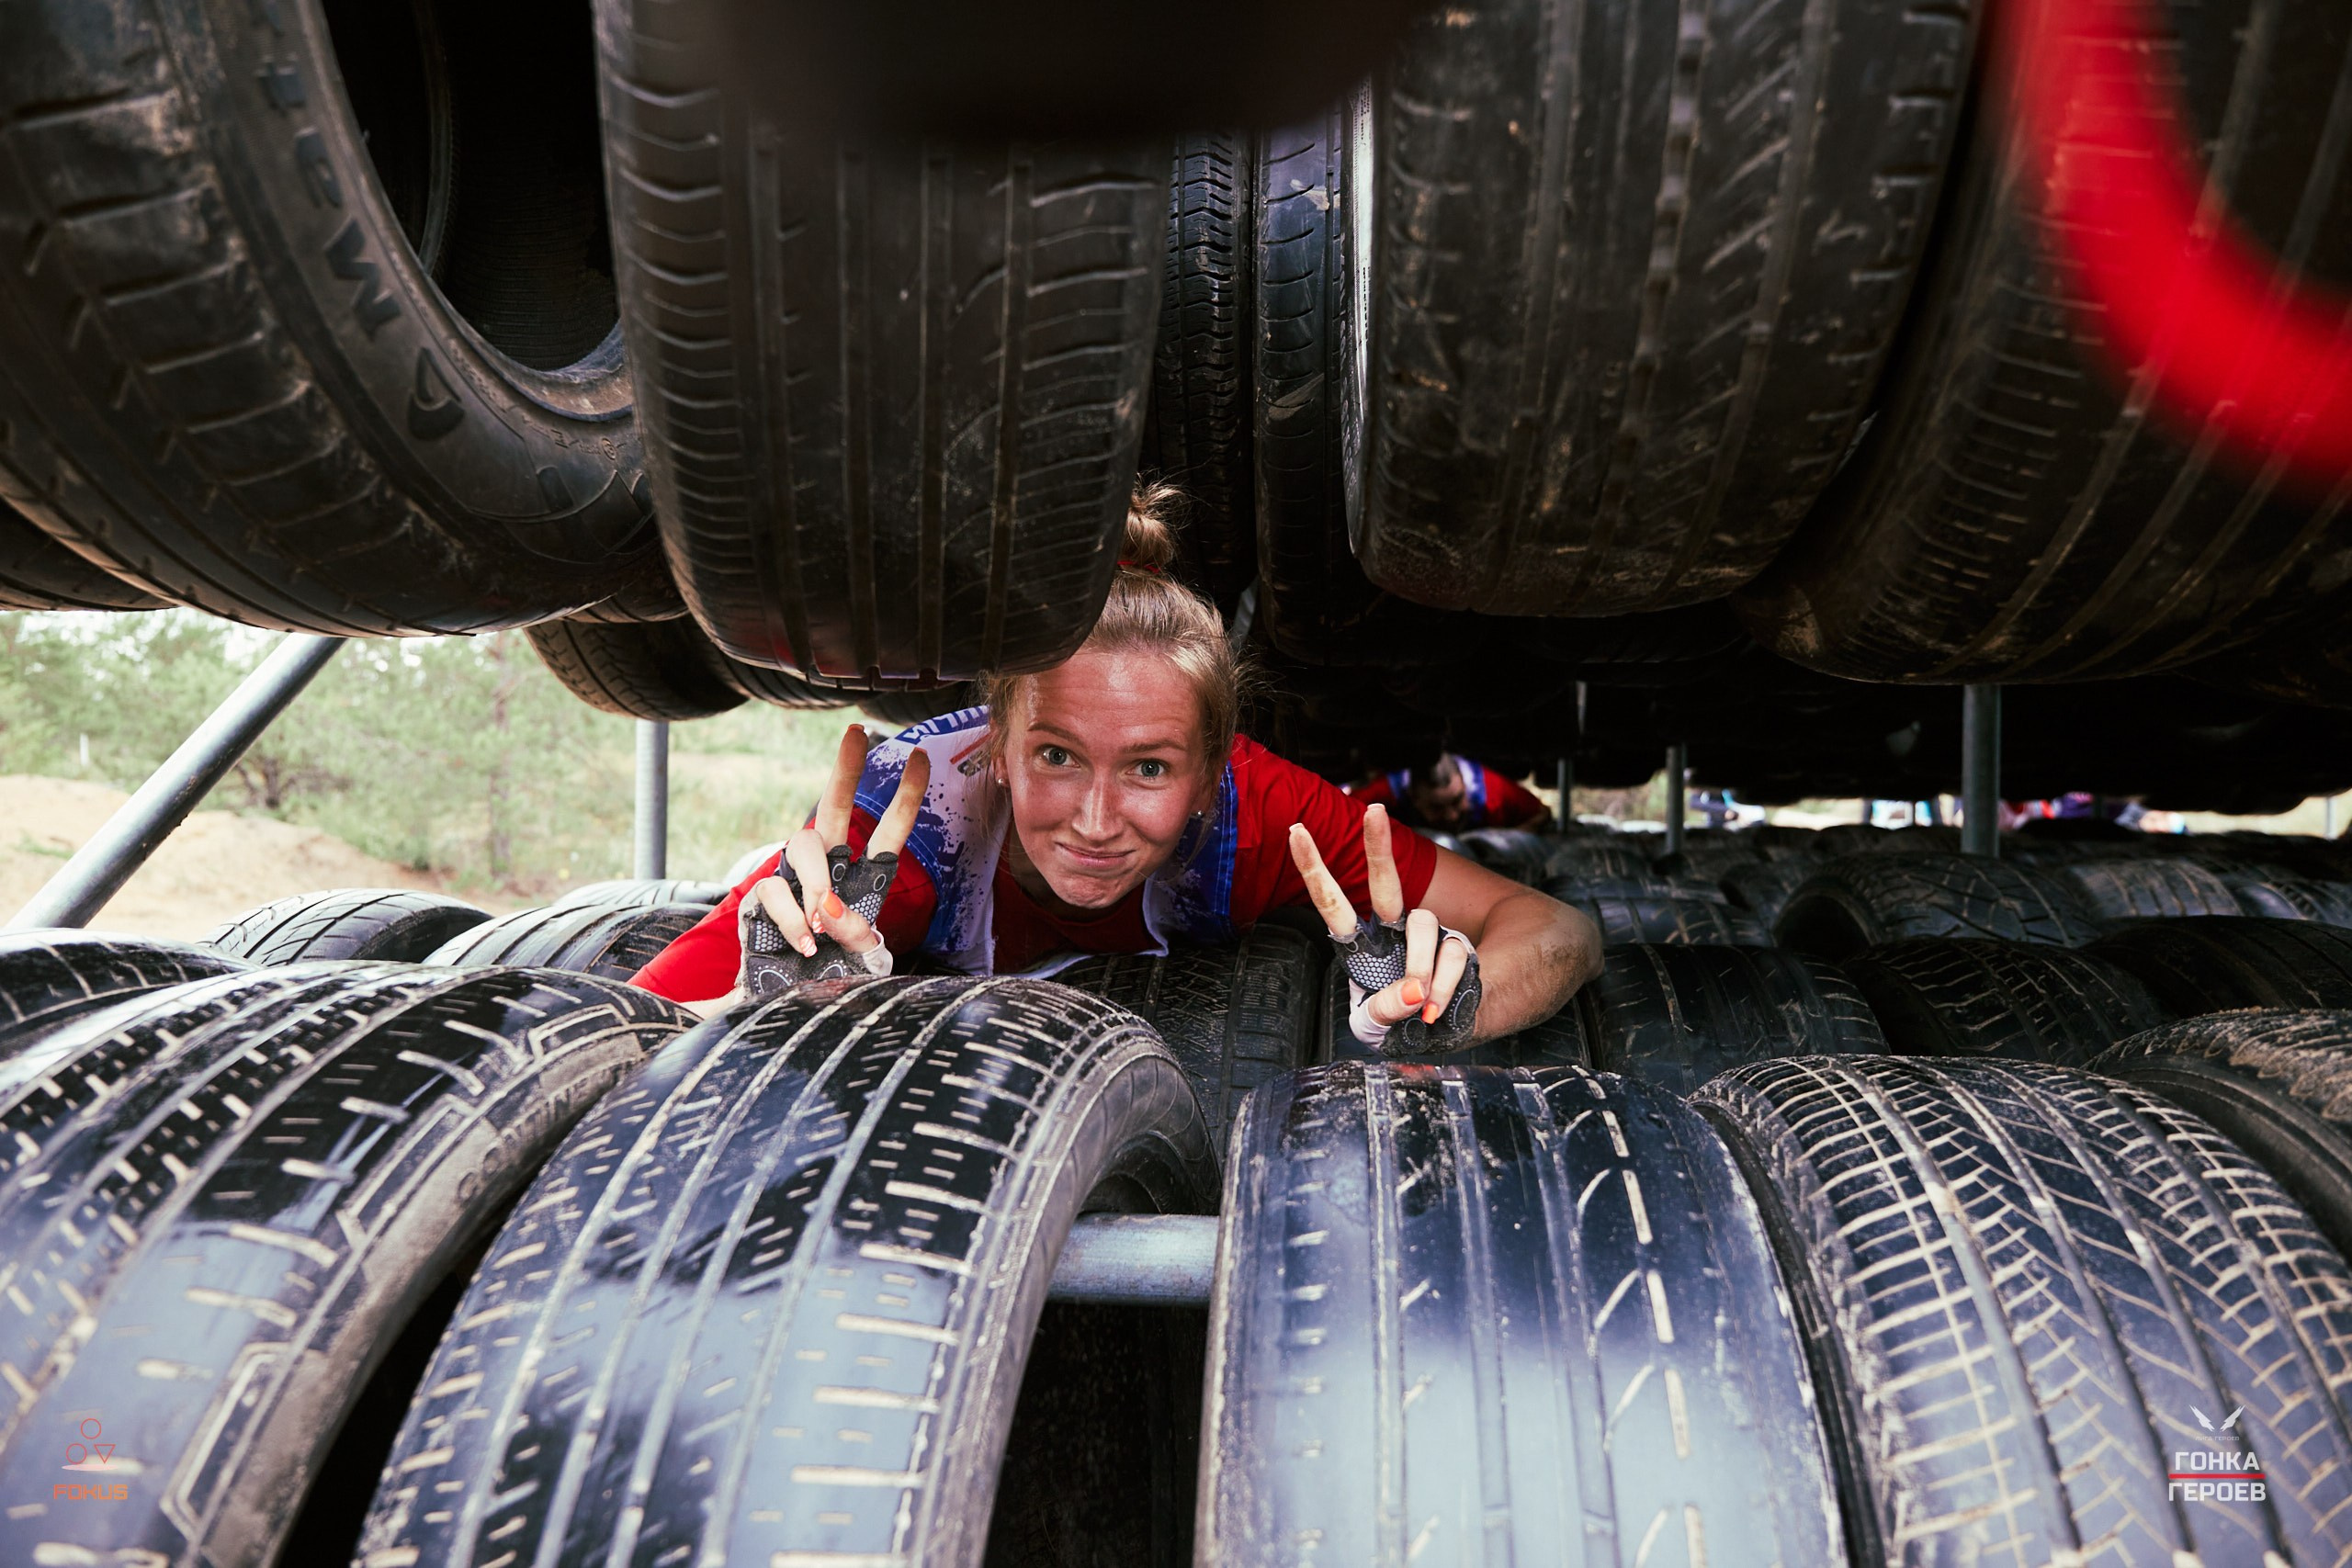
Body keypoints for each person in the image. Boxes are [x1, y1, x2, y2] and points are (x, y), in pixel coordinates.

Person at [632, 491, 1600, 1051]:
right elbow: (635, 1036)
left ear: (1212, 771)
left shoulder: (1257, 815)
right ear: (996, 751)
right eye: (1055, 755)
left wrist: (1458, 1003)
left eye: (1147, 768)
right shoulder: (903, 840)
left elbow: (1557, 928)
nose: (1096, 818)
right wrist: (766, 1020)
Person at [1350, 754, 1551, 833]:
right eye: (1437, 807)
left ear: (1464, 783)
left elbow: (1543, 813)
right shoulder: (1381, 794)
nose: (1452, 815)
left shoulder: (1495, 792)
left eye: (1457, 801)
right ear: (1413, 798)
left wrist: (1503, 840)